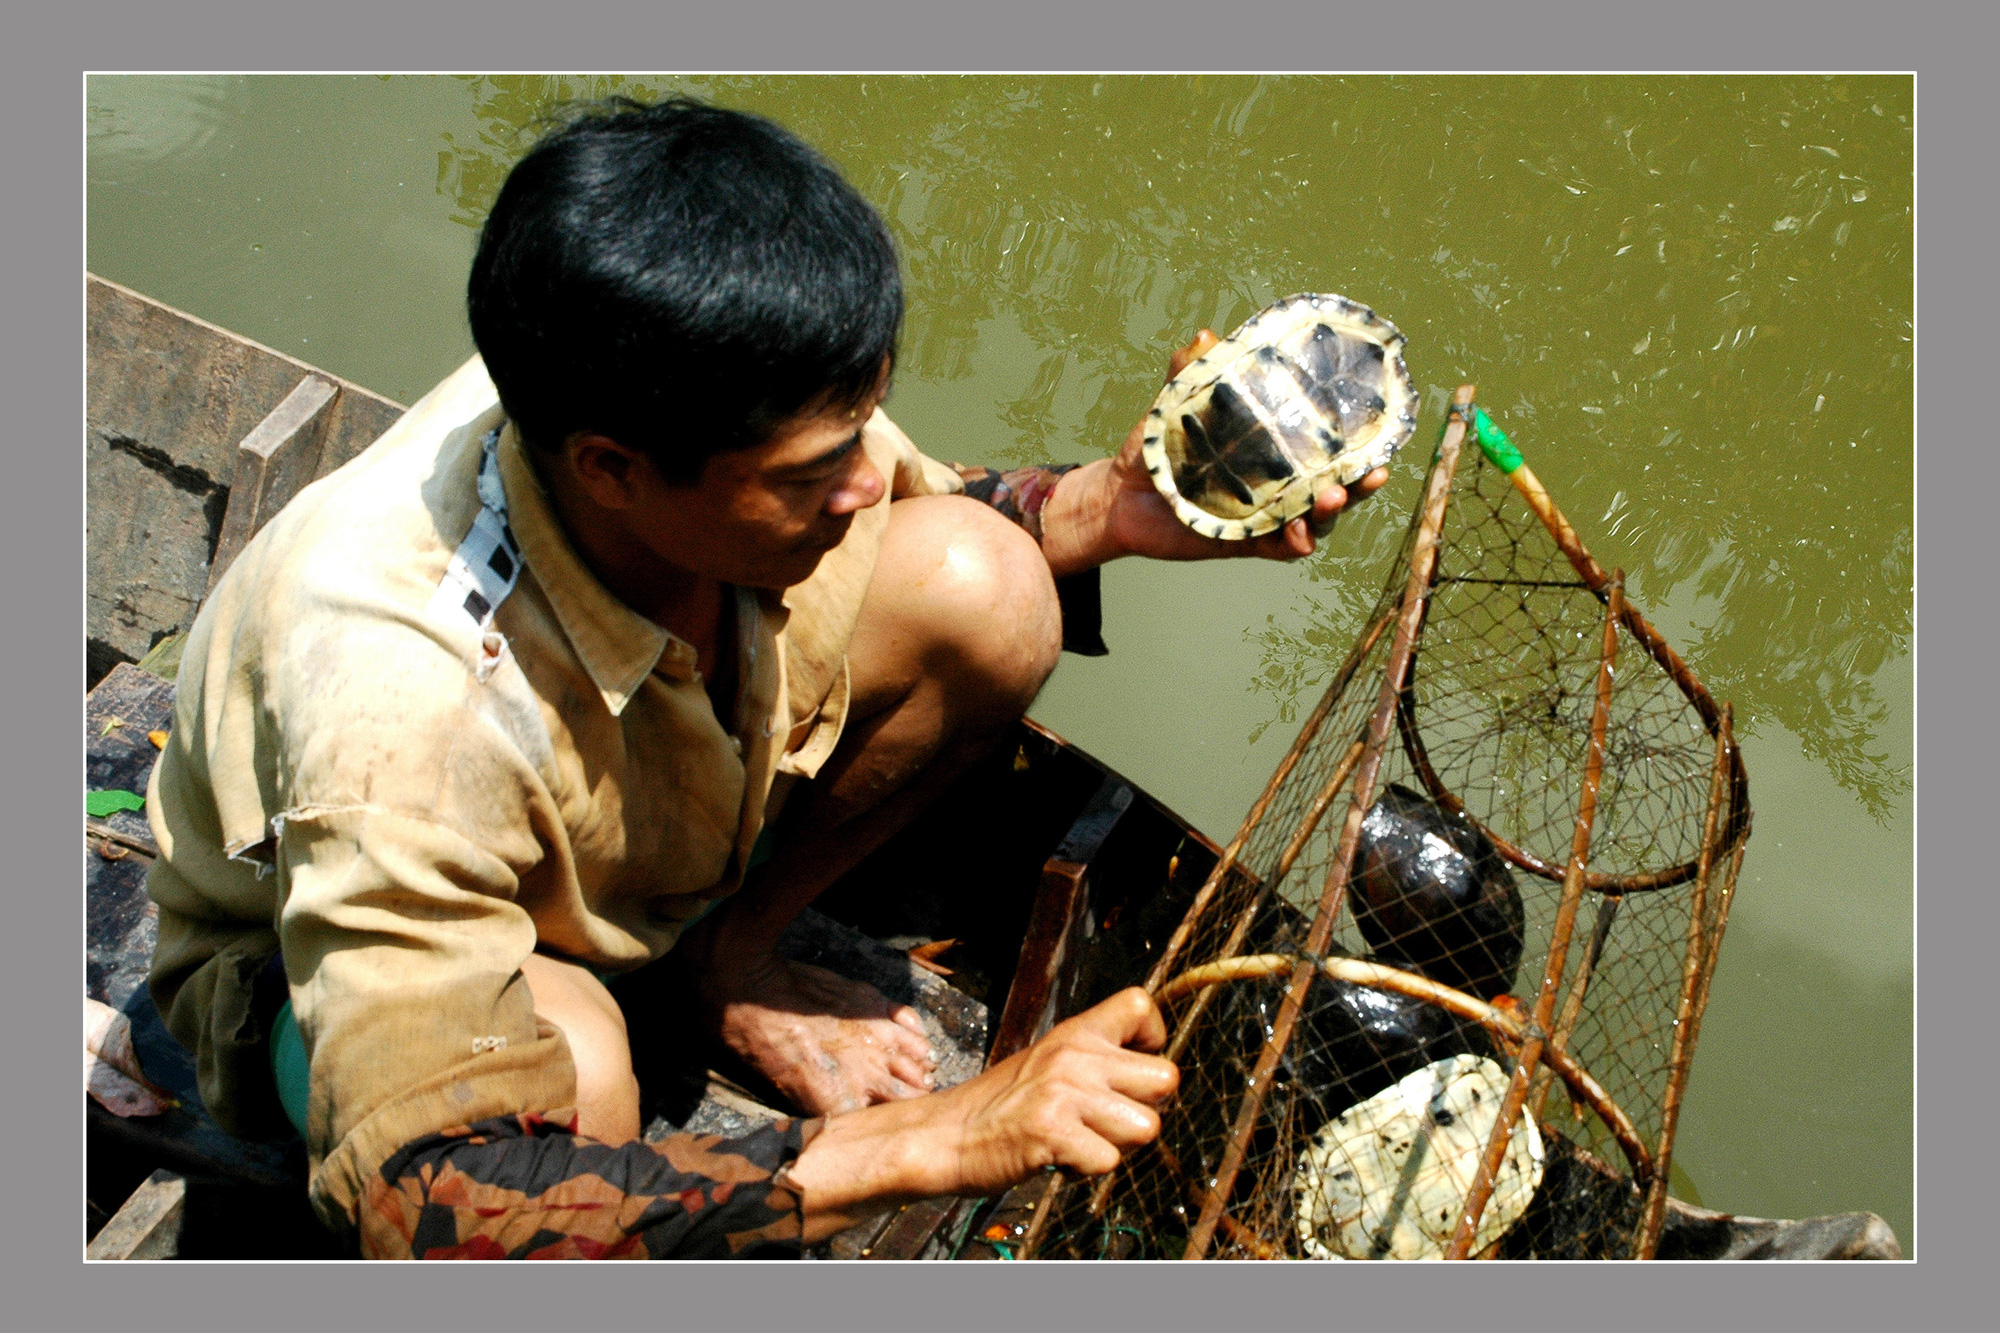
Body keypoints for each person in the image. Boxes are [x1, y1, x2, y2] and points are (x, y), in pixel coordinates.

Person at [144, 97, 1386, 1259]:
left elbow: (934, 504)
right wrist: (918, 1139)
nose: (859, 485)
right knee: (575, 1065)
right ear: (613, 469)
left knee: (991, 583)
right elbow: (425, 1198)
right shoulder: (400, 706)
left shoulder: (675, 391)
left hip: (596, 803)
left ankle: (716, 958)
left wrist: (1118, 509)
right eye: (812, 473)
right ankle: (636, 991)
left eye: (858, 433)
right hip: (312, 969)